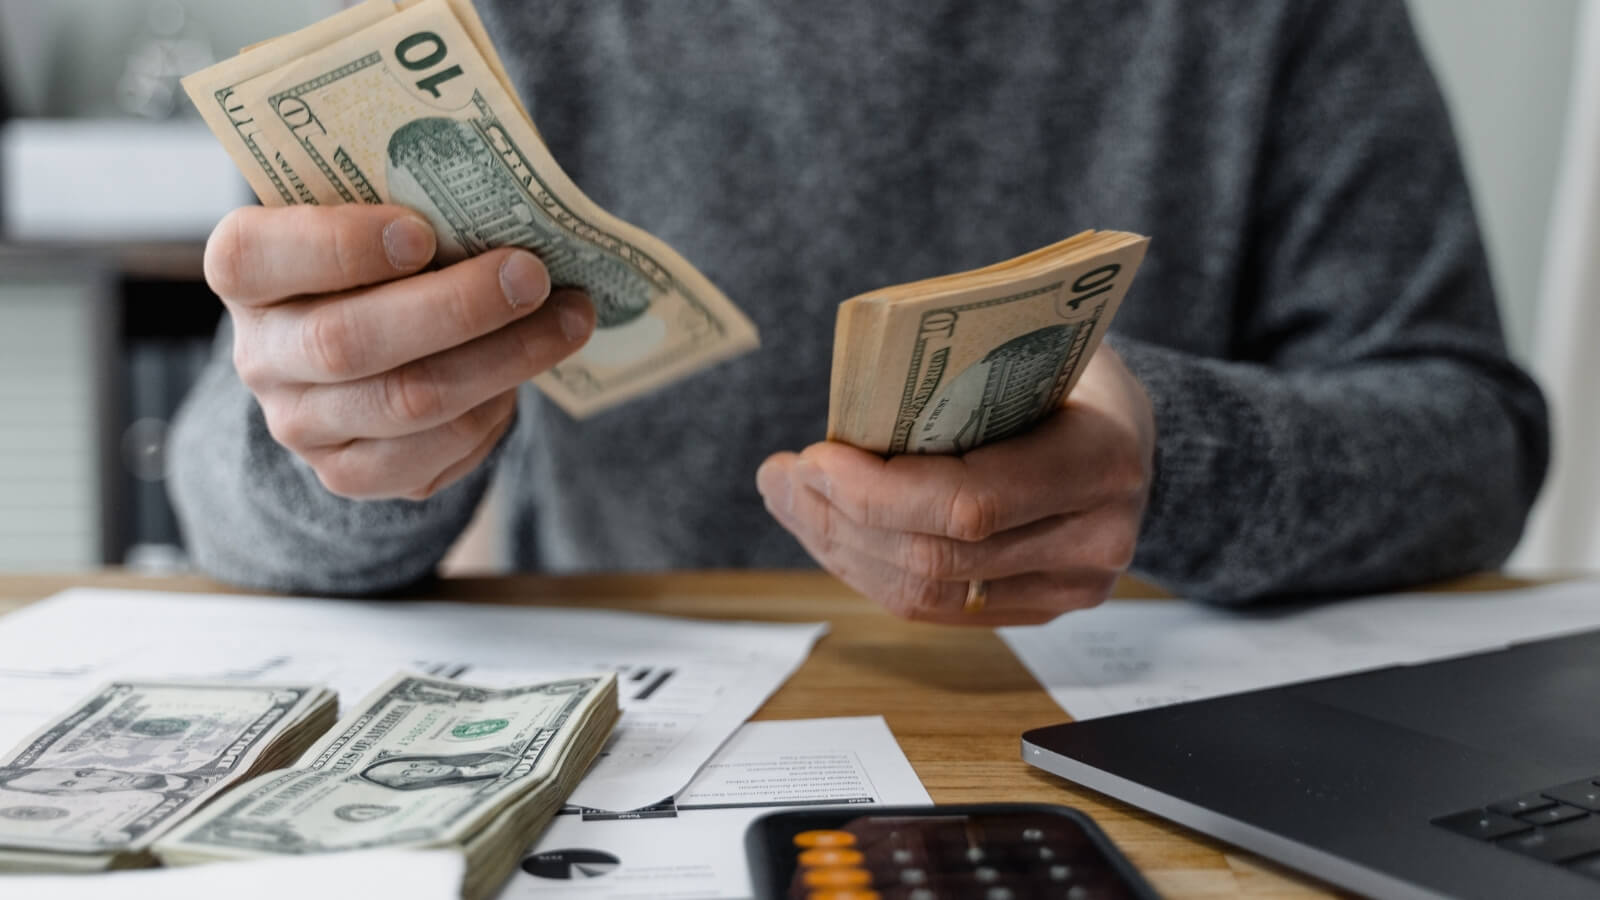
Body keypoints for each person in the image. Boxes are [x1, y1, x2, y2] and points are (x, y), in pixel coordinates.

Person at [167, 0, 1549, 623]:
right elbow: (221, 490)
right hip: (634, 770)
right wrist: (347, 437)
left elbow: (1474, 438)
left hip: (1140, 767)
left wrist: (1174, 461)